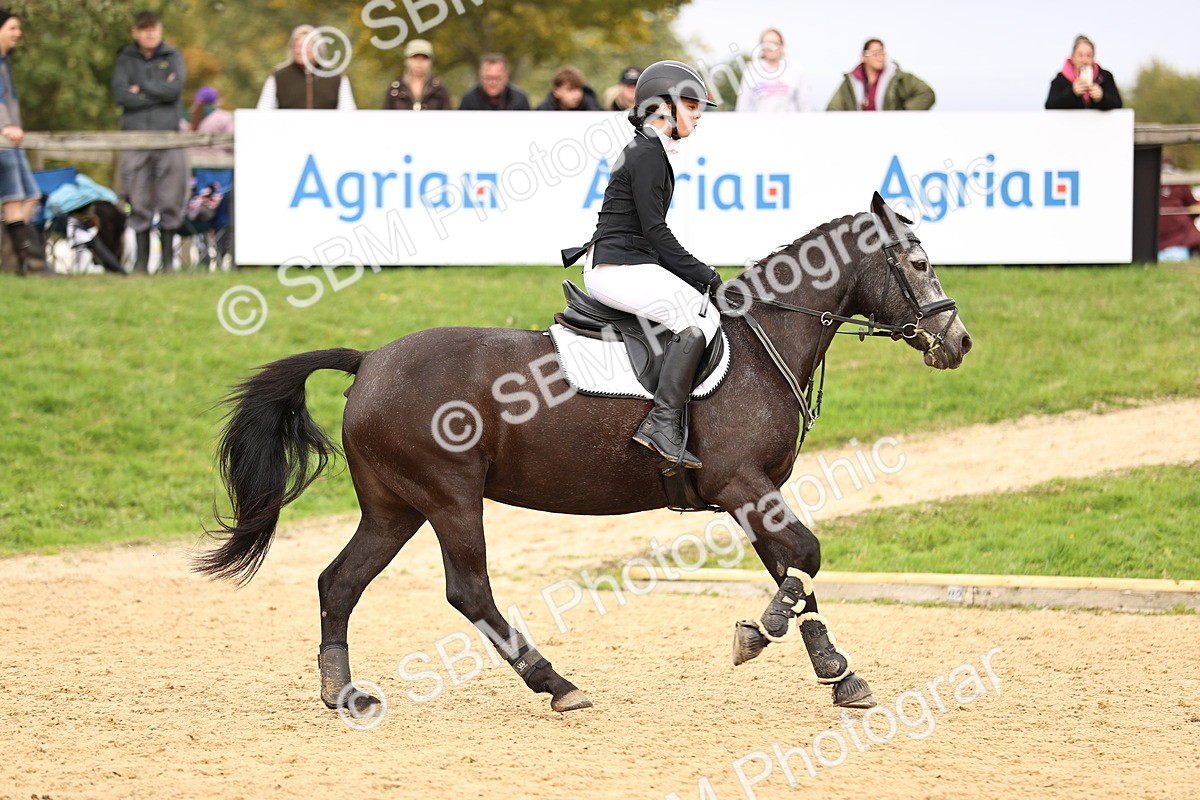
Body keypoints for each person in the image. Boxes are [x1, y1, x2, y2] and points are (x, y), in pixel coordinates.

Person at [561, 61, 722, 470]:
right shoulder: (647, 153)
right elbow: (656, 233)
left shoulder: (651, 150)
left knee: (705, 314)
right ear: (662, 107)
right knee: (698, 322)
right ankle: (662, 424)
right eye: (691, 104)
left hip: (629, 263)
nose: (699, 113)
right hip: (616, 269)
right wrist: (706, 275)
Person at [112, 10, 188, 274]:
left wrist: (141, 88)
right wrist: (158, 90)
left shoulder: (173, 56)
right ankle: (141, 263)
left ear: (160, 30)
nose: (149, 33)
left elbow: (175, 90)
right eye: (144, 29)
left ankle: (168, 263)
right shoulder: (125, 58)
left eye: (153, 28)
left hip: (168, 137)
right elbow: (121, 94)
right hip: (135, 138)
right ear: (135, 32)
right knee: (137, 197)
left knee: (171, 198)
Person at [0, 9, 49, 275]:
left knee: (31, 195)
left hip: (12, 140)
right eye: (12, 28)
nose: (18, 33)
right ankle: (33, 264)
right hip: (3, 140)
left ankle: (18, 259)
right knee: (13, 199)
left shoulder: (4, 63)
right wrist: (6, 126)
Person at [256, 24, 356, 110]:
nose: (300, 51)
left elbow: (348, 112)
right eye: (297, 46)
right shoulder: (278, 77)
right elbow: (263, 111)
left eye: (305, 46)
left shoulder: (335, 77)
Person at [826, 38, 935, 111]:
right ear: (864, 57)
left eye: (882, 53)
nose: (880, 57)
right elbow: (833, 109)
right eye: (875, 53)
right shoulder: (851, 82)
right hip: (860, 134)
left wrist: (903, 116)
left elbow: (926, 94)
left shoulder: (898, 78)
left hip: (890, 134)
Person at [735, 28, 813, 112]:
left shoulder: (796, 70)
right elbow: (743, 107)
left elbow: (805, 106)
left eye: (775, 43)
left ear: (782, 46)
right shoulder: (751, 71)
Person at [1044, 35, 1123, 110]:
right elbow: (1050, 105)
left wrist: (1101, 98)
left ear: (1093, 57)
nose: (1084, 60)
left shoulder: (1105, 77)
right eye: (1080, 55)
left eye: (1088, 55)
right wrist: (1072, 93)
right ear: (1073, 57)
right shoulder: (1061, 79)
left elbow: (1118, 104)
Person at [382, 39, 451, 110]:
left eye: (424, 58)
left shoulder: (439, 88)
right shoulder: (396, 88)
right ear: (406, 60)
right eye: (415, 57)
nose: (419, 62)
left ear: (431, 61)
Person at [1158, 156, 1200, 261]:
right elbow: (1194, 206)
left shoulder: (1146, 182)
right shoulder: (1180, 182)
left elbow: (1193, 206)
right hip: (1177, 240)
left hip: (1157, 240)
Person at [458, 54, 531, 110]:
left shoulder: (519, 100)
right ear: (481, 78)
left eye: (498, 78)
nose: (493, 82)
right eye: (488, 78)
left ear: (506, 78)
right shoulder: (469, 99)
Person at [535, 66, 601, 111]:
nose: (577, 95)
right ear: (556, 92)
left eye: (579, 89)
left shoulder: (591, 109)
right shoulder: (544, 110)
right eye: (570, 90)